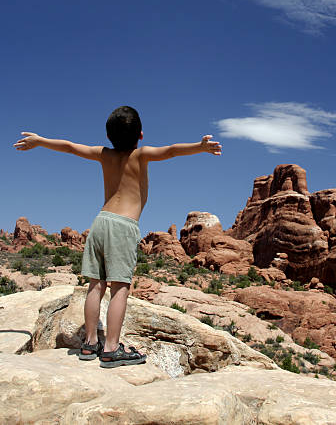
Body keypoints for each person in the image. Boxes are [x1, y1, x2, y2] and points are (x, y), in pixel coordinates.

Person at [13, 105, 222, 368]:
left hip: (100, 221)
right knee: (120, 287)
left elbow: (69, 146)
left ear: (109, 136)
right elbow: (170, 150)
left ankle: (89, 344)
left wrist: (40, 141)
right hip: (123, 226)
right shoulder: (141, 154)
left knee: (95, 285)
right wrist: (200, 146)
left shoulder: (104, 154)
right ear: (141, 135)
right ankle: (111, 348)